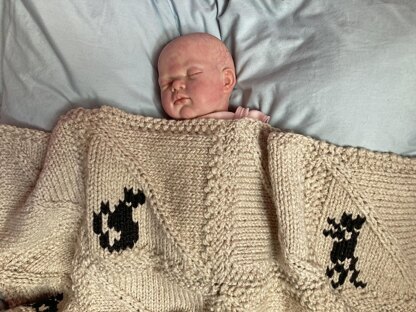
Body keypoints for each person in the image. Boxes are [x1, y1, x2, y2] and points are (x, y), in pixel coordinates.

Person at [157, 33, 270, 123]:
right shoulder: (162, 130)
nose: (175, 85)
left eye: (193, 74)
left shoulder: (246, 121)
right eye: (166, 83)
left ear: (226, 81)